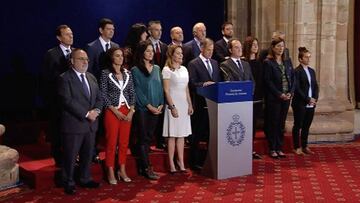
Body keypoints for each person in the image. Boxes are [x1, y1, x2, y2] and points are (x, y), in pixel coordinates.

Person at [57, 49, 102, 195]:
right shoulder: (64, 78)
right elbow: (66, 101)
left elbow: (99, 99)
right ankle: (68, 182)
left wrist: (96, 111)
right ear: (72, 61)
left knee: (88, 154)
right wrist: (86, 113)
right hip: (74, 124)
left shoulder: (91, 77)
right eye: (81, 59)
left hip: (91, 125)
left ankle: (85, 178)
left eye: (86, 59)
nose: (85, 62)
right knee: (70, 155)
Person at [99, 47, 135, 184]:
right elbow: (103, 94)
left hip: (127, 111)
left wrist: (131, 111)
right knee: (112, 142)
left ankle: (122, 169)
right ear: (111, 58)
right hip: (112, 111)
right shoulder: (105, 73)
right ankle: (110, 170)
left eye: (122, 56)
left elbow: (132, 93)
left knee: (124, 142)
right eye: (117, 56)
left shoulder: (128, 73)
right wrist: (115, 111)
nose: (121, 58)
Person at [85, 18, 119, 162]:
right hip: (97, 91)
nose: (111, 31)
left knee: (110, 123)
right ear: (101, 30)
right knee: (95, 125)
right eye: (108, 29)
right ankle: (92, 152)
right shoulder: (91, 47)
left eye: (113, 29)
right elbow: (89, 71)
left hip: (112, 92)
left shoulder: (116, 46)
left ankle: (111, 149)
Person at [131, 40, 164, 179]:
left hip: (157, 108)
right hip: (143, 110)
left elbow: (160, 87)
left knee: (149, 138)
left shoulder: (156, 68)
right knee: (143, 138)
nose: (151, 53)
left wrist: (161, 103)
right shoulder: (135, 70)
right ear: (142, 53)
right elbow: (137, 90)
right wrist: (148, 106)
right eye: (147, 51)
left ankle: (143, 165)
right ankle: (146, 167)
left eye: (152, 51)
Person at [41, 24, 73, 167]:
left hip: (73, 99)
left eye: (71, 34)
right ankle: (58, 157)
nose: (70, 36)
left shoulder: (76, 53)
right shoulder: (51, 54)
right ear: (59, 38)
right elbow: (47, 78)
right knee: (57, 129)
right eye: (67, 34)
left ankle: (72, 155)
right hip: (57, 100)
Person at [188, 38, 222, 170]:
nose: (211, 53)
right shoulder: (193, 64)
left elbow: (217, 81)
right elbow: (192, 83)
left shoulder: (215, 63)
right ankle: (195, 162)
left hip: (213, 105)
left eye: (212, 50)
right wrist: (203, 84)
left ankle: (209, 160)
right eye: (208, 50)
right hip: (200, 104)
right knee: (197, 134)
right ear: (201, 49)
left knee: (210, 134)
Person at [162, 45, 193, 173]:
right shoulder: (166, 70)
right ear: (172, 55)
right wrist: (172, 106)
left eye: (181, 53)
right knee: (172, 135)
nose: (181, 55)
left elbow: (186, 88)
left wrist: (190, 104)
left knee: (181, 135)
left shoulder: (184, 69)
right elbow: (166, 90)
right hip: (173, 105)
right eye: (178, 53)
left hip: (184, 104)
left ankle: (181, 162)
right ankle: (171, 163)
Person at [263, 37, 295, 159]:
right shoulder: (268, 62)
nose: (281, 48)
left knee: (281, 123)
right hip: (274, 98)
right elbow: (268, 81)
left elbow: (292, 78)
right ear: (273, 48)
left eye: (282, 46)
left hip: (287, 97)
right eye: (278, 46)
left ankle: (279, 147)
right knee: (273, 123)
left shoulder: (287, 61)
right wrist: (278, 94)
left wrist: (291, 92)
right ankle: (272, 148)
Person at [292, 47, 319, 155]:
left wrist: (314, 99)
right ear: (300, 59)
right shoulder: (296, 71)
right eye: (306, 57)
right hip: (300, 103)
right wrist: (307, 99)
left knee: (306, 126)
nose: (308, 59)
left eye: (309, 57)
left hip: (311, 103)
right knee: (298, 125)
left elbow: (315, 86)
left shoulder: (312, 71)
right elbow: (297, 88)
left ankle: (305, 145)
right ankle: (296, 147)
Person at [242, 36, 264, 159]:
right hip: (246, 98)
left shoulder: (260, 62)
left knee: (253, 124)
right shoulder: (244, 62)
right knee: (245, 124)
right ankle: (244, 149)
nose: (255, 46)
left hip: (258, 98)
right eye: (253, 44)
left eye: (257, 44)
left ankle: (250, 149)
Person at [148, 20, 168, 150]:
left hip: (162, 83)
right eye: (156, 30)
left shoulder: (164, 46)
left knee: (161, 111)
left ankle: (160, 140)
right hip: (149, 84)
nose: (159, 32)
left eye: (160, 30)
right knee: (150, 114)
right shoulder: (144, 45)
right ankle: (148, 141)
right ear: (150, 31)